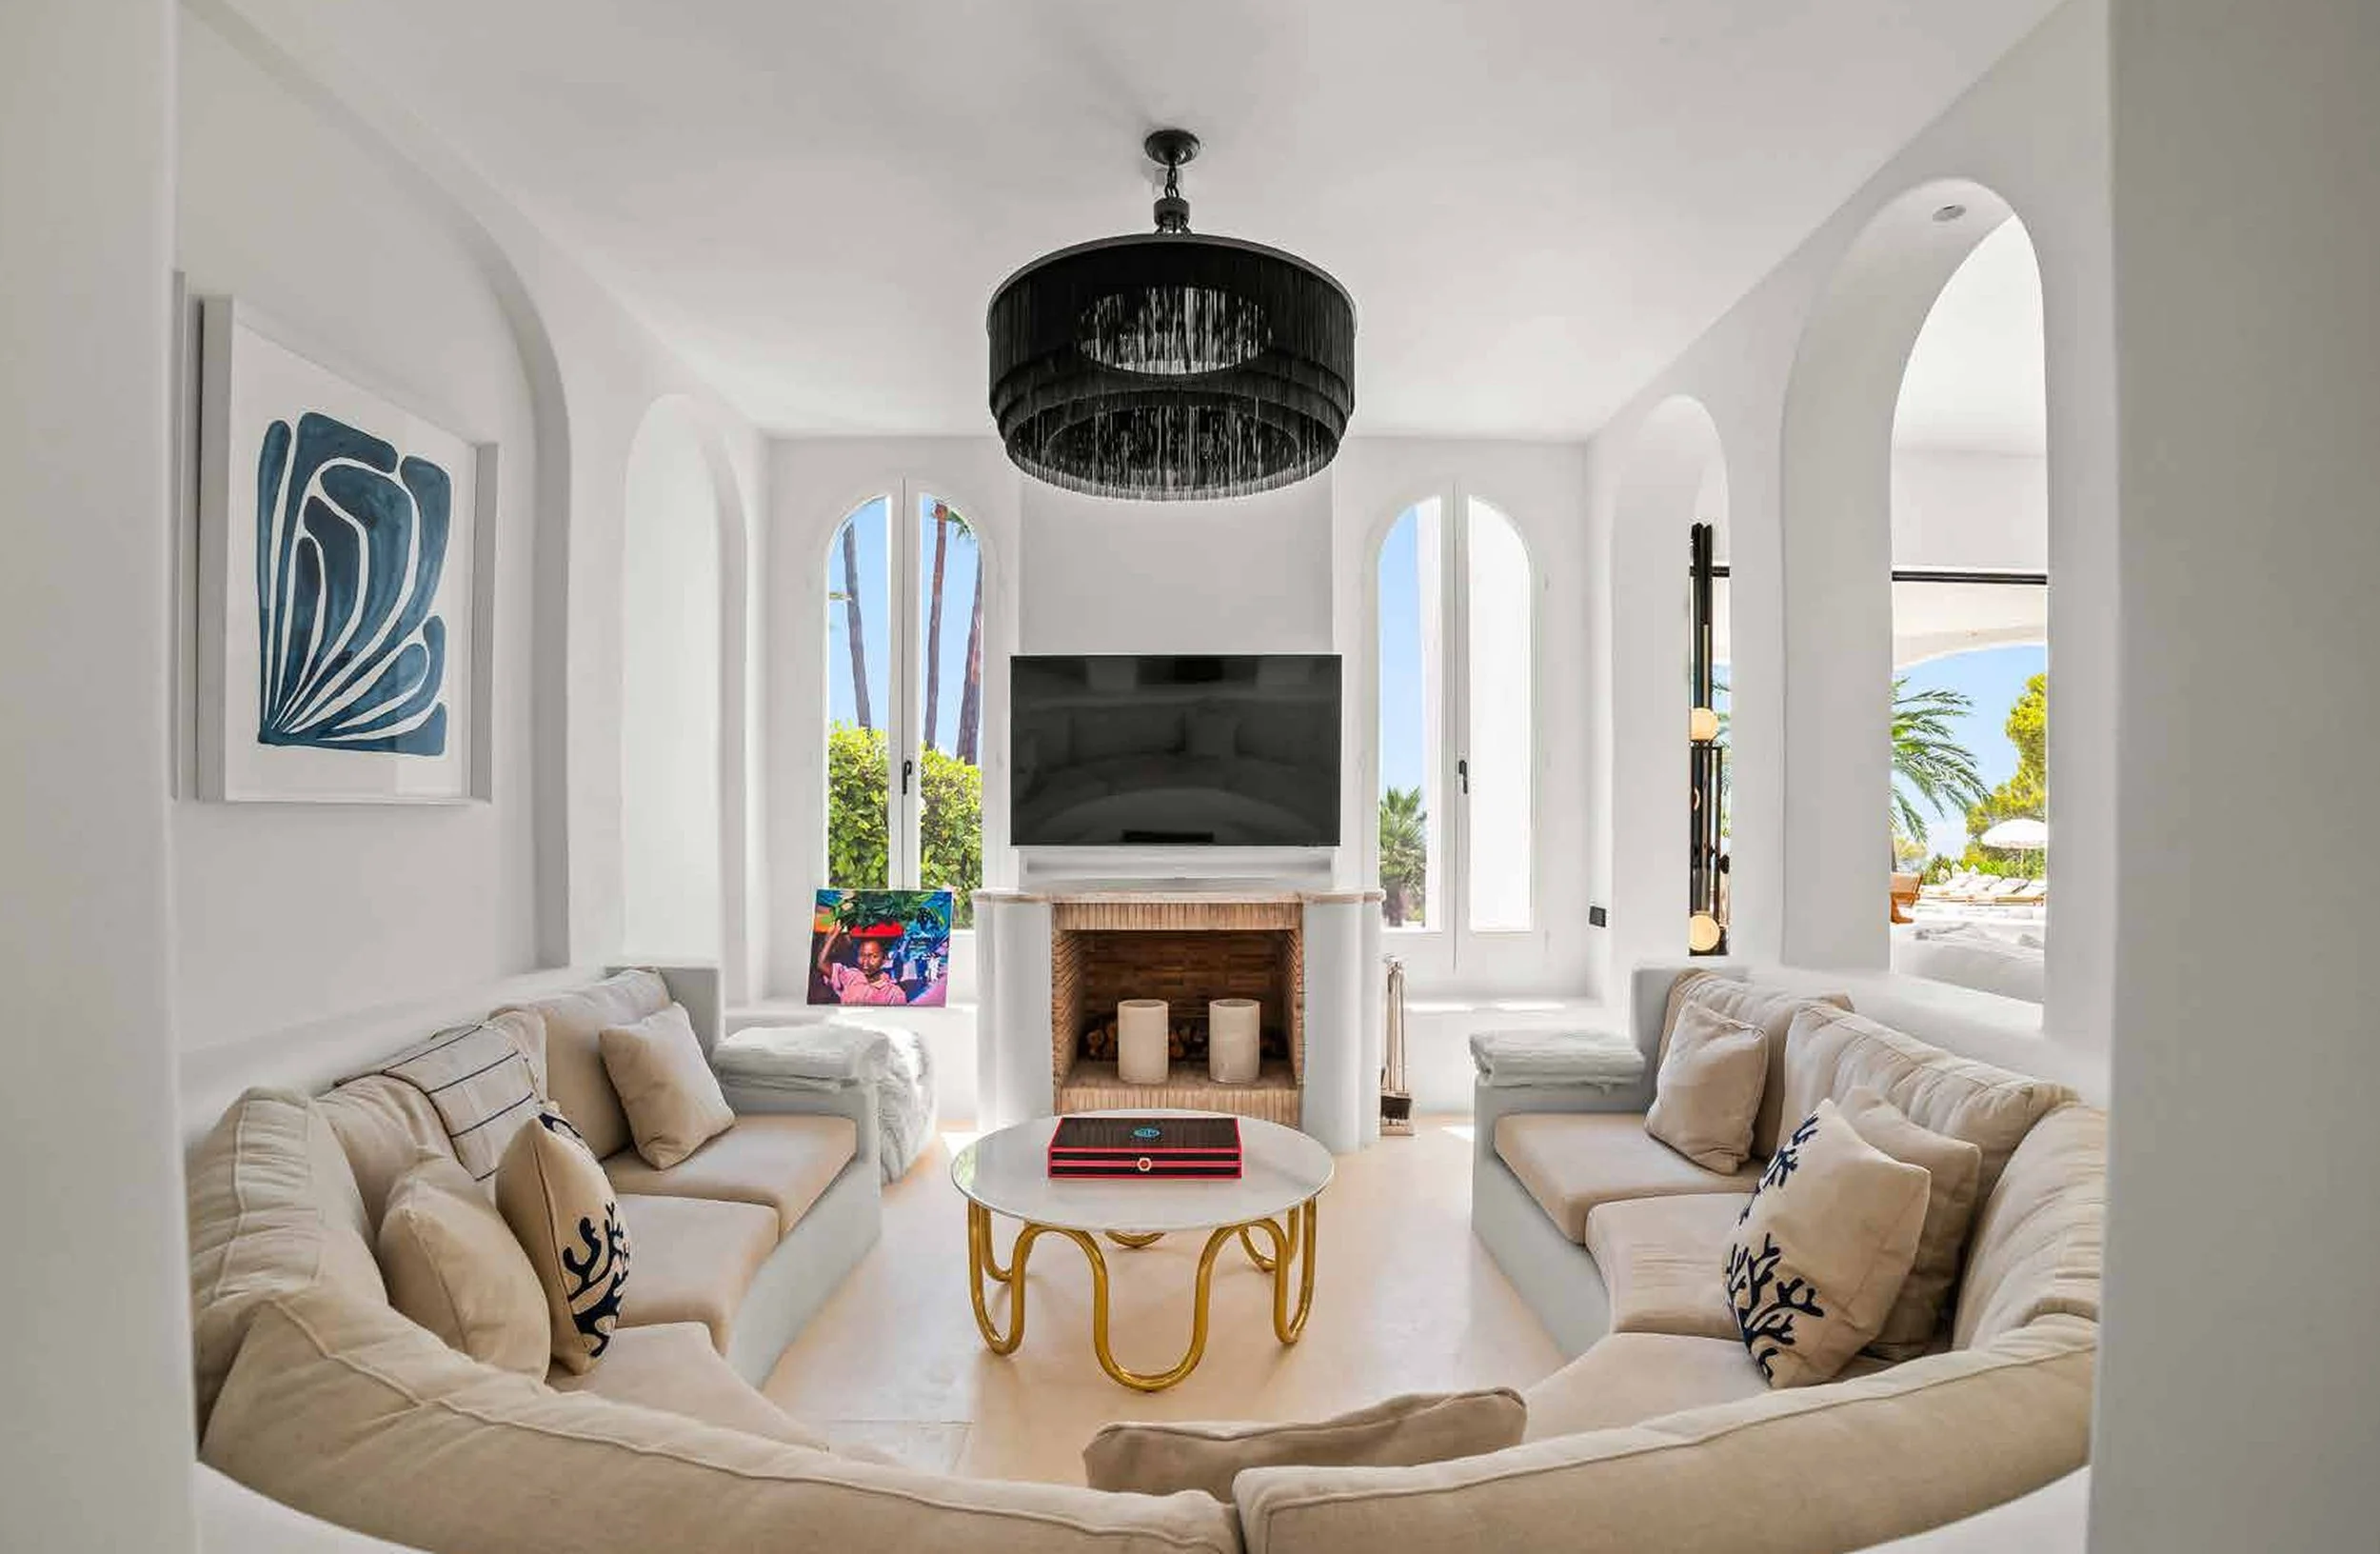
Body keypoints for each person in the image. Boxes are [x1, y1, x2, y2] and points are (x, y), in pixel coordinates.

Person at [817, 925, 909, 1006]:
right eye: (862, 955)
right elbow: (822, 964)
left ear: (884, 959)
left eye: (873, 957)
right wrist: (833, 936)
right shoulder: (850, 976)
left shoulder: (894, 993)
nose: (865, 962)